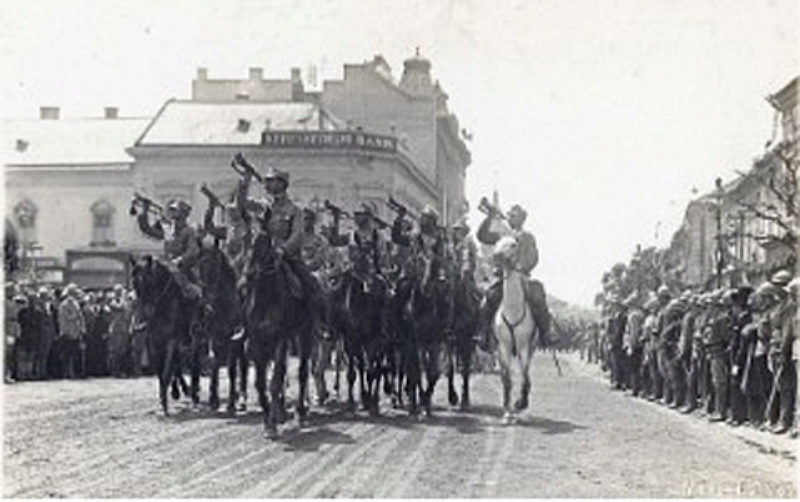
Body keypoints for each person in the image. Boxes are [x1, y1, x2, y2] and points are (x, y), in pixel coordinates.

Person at [476, 203, 552, 344]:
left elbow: (533, 257)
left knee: (538, 295)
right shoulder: (502, 235)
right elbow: (482, 236)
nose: (511, 218)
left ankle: (546, 332)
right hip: (503, 277)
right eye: (510, 215)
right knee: (488, 300)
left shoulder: (528, 237)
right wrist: (489, 218)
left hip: (522, 276)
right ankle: (483, 332)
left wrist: (521, 266)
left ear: (522, 219)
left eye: (514, 216)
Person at [57, 284, 85, 379]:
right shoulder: (64, 305)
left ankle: (72, 372)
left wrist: (81, 328)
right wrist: (76, 316)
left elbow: (80, 317)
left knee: (74, 353)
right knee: (66, 354)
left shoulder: (76, 304)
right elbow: (67, 317)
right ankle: (66, 373)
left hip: (75, 332)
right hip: (67, 332)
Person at [4, 282, 23, 383]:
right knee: (7, 353)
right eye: (12, 290)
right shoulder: (4, 302)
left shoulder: (13, 302)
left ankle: (8, 374)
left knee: (11, 353)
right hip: (7, 328)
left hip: (13, 328)